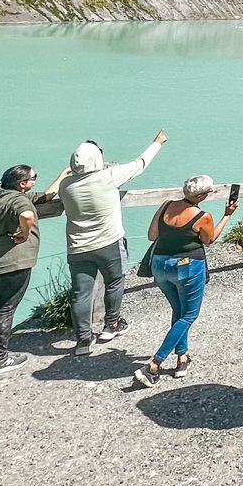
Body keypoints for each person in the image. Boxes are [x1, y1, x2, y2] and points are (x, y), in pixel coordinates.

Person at [52, 132, 166, 355]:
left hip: (78, 248)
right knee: (114, 282)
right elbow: (140, 164)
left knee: (80, 293)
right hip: (109, 243)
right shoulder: (108, 177)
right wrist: (157, 143)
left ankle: (83, 341)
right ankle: (111, 325)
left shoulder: (66, 185)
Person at [134, 175, 239, 388]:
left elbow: (152, 235)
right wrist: (227, 215)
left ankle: (182, 359)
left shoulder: (166, 206)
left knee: (179, 311)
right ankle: (155, 363)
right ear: (200, 195)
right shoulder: (203, 216)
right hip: (188, 268)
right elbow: (209, 240)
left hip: (160, 266)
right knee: (190, 314)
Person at [0, 163, 65, 378]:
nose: (35, 179)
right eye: (34, 177)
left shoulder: (2, 197)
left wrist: (64, 173)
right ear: (23, 183)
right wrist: (25, 233)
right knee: (6, 310)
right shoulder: (19, 200)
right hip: (16, 262)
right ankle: (0, 359)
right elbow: (27, 215)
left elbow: (46, 196)